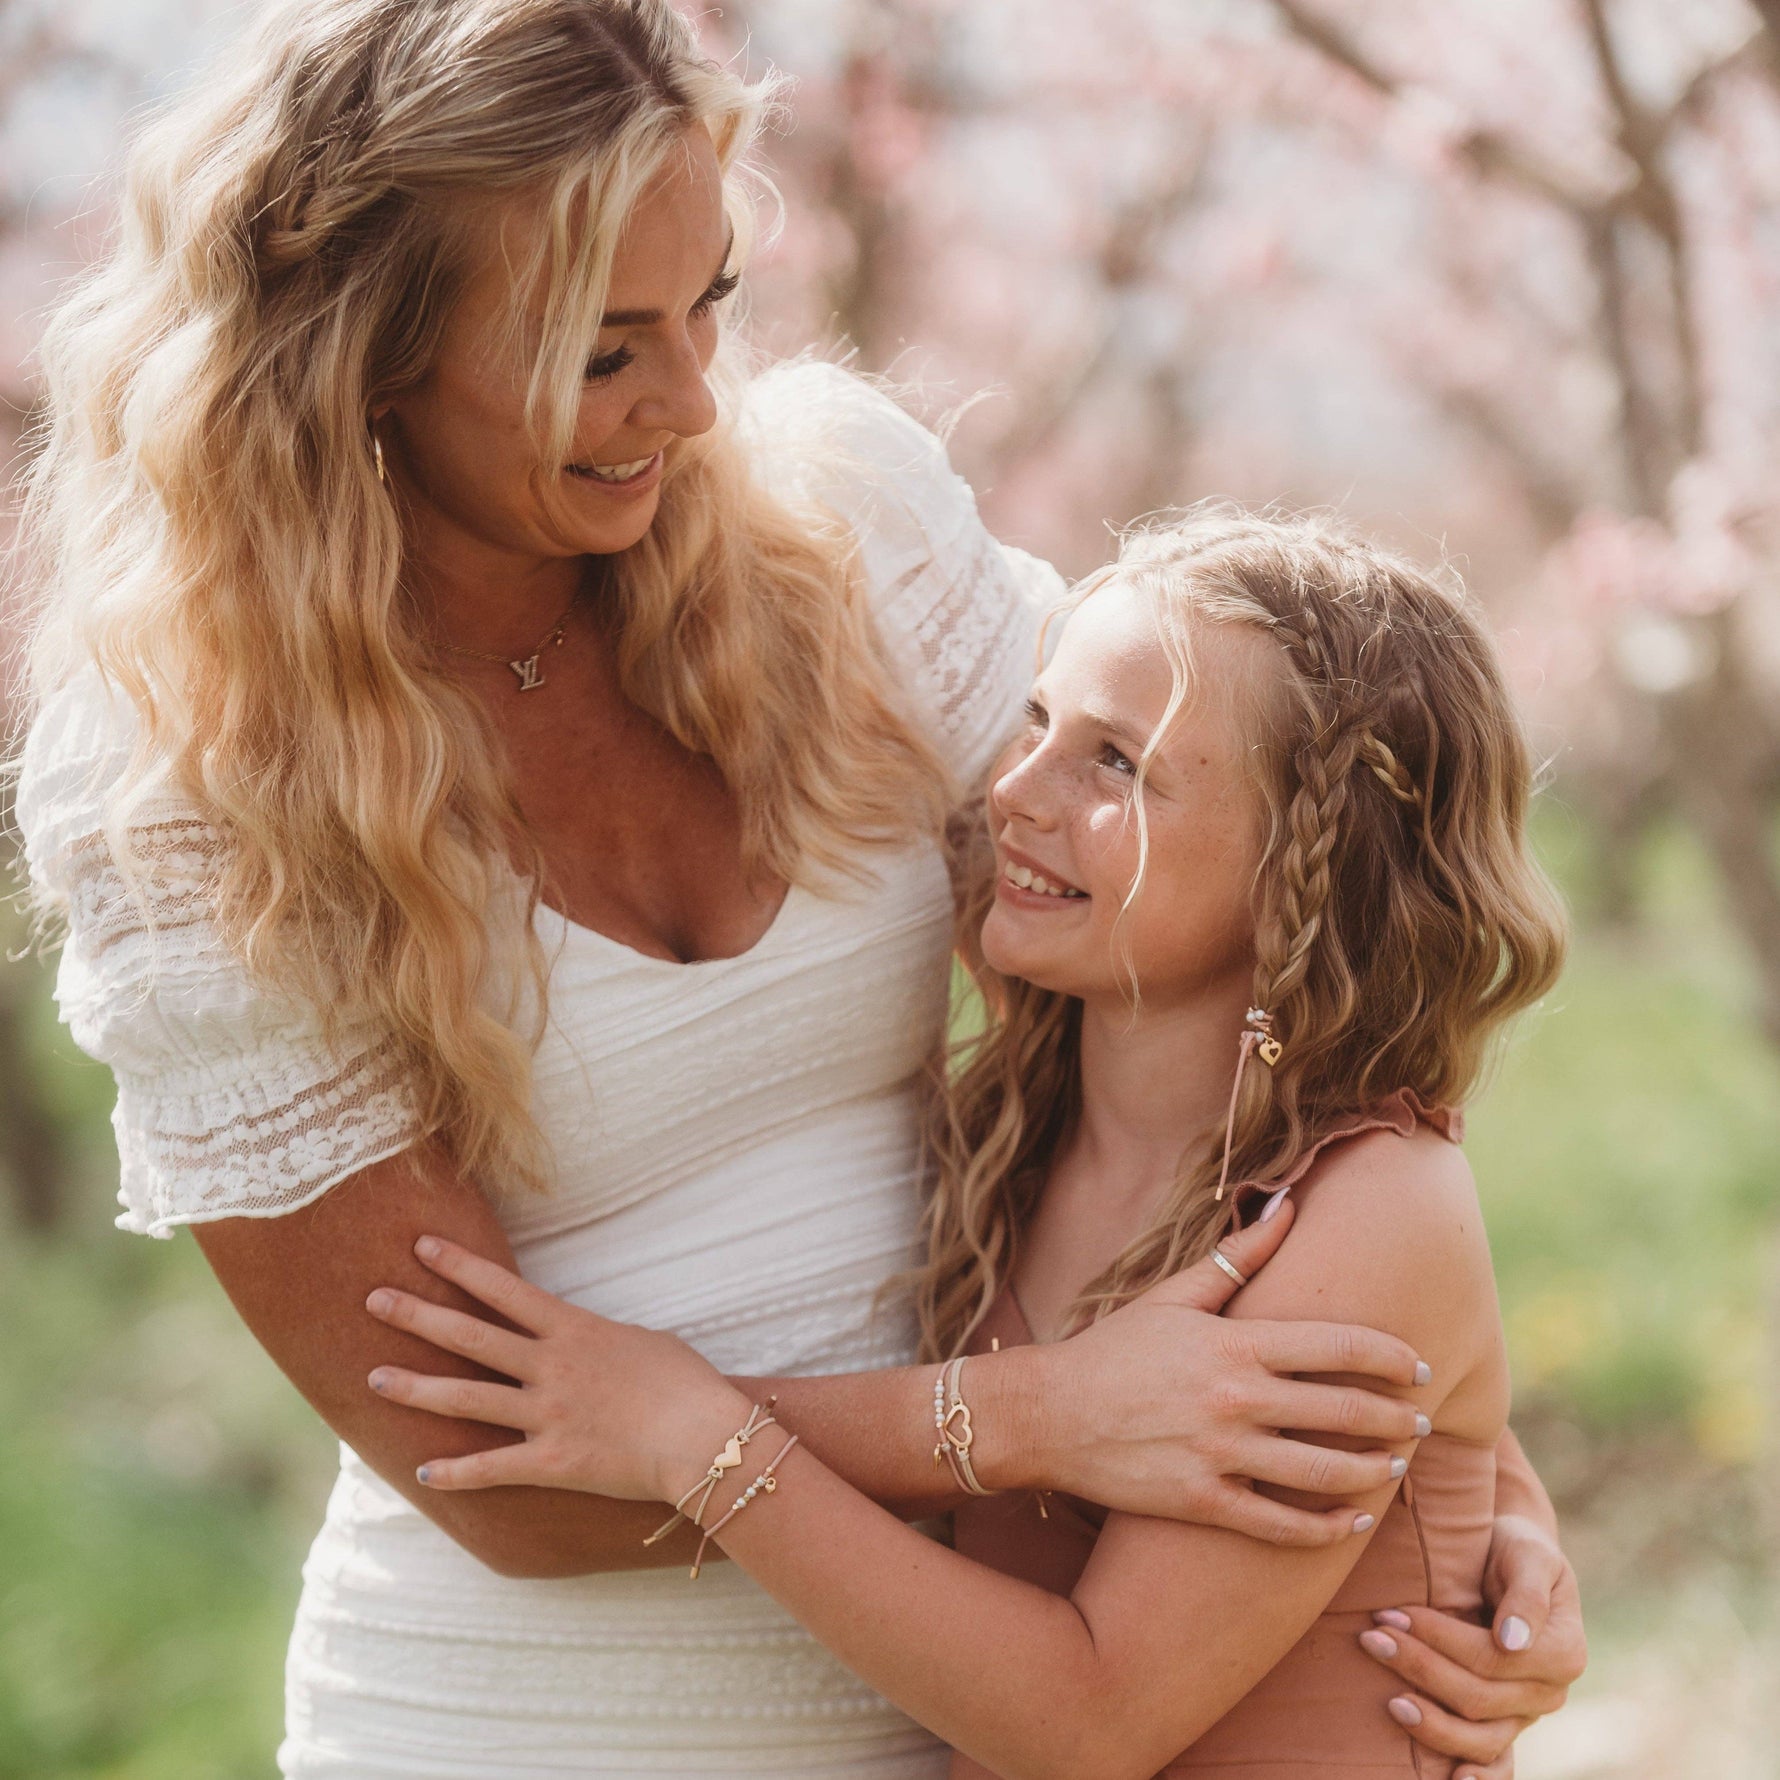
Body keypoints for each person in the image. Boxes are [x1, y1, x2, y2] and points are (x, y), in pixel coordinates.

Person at [10, 1, 1583, 1773]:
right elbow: (495, 1473)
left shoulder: (844, 530)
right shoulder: (201, 795)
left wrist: (1455, 1461)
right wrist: (1032, 1422)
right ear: (367, 356)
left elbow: (1236, 915)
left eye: (711, 308)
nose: (689, 402)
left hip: (963, 1674)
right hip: (523, 1711)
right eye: (602, 352)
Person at [366, 508, 1576, 1778]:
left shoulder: (1378, 1200)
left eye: (1115, 764)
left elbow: (1086, 1719)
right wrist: (1498, 1497)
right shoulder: (1017, 1127)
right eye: (1039, 721)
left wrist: (696, 1436)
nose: (1012, 790)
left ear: (1305, 874)